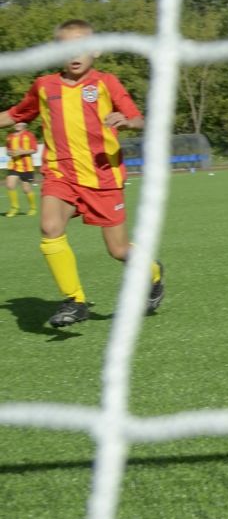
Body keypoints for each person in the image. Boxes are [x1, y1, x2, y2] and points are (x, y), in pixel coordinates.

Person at [6, 20, 165, 328]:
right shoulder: (44, 86)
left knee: (118, 250)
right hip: (60, 175)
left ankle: (154, 272)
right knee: (50, 227)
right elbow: (15, 115)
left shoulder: (107, 83)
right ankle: (75, 301)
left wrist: (126, 121)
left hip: (103, 177)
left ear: (96, 50)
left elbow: (138, 119)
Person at [6, 121, 39, 218]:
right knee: (10, 185)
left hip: (26, 166)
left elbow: (34, 149)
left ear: (24, 126)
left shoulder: (29, 135)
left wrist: (22, 152)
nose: (17, 125)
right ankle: (14, 208)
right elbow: (8, 150)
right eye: (16, 124)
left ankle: (33, 208)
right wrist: (10, 153)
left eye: (19, 124)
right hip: (14, 165)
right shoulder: (10, 136)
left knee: (26, 189)